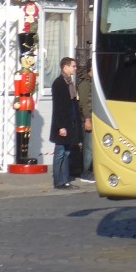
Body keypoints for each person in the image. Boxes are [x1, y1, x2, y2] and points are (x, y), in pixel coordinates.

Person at [50, 57, 81, 189]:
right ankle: (58, 181)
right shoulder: (59, 83)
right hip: (62, 124)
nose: (75, 68)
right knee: (60, 152)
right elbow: (58, 107)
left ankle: (65, 180)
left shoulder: (70, 83)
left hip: (70, 121)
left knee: (67, 152)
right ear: (65, 67)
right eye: (73, 66)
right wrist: (61, 126)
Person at [77, 62, 94, 183]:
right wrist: (87, 119)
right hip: (88, 120)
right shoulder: (85, 84)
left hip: (96, 119)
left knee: (93, 148)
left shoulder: (94, 83)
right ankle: (85, 172)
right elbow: (83, 104)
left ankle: (91, 171)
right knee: (88, 148)